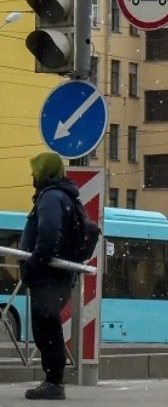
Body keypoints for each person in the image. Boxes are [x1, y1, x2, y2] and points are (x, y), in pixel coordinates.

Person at [20, 151, 79, 401]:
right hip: (54, 275)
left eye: (36, 169)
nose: (33, 175)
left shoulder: (51, 197)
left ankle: (54, 382)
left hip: (48, 276)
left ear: (46, 171)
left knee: (46, 328)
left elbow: (47, 237)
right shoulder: (60, 195)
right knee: (47, 326)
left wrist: (32, 265)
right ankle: (52, 379)